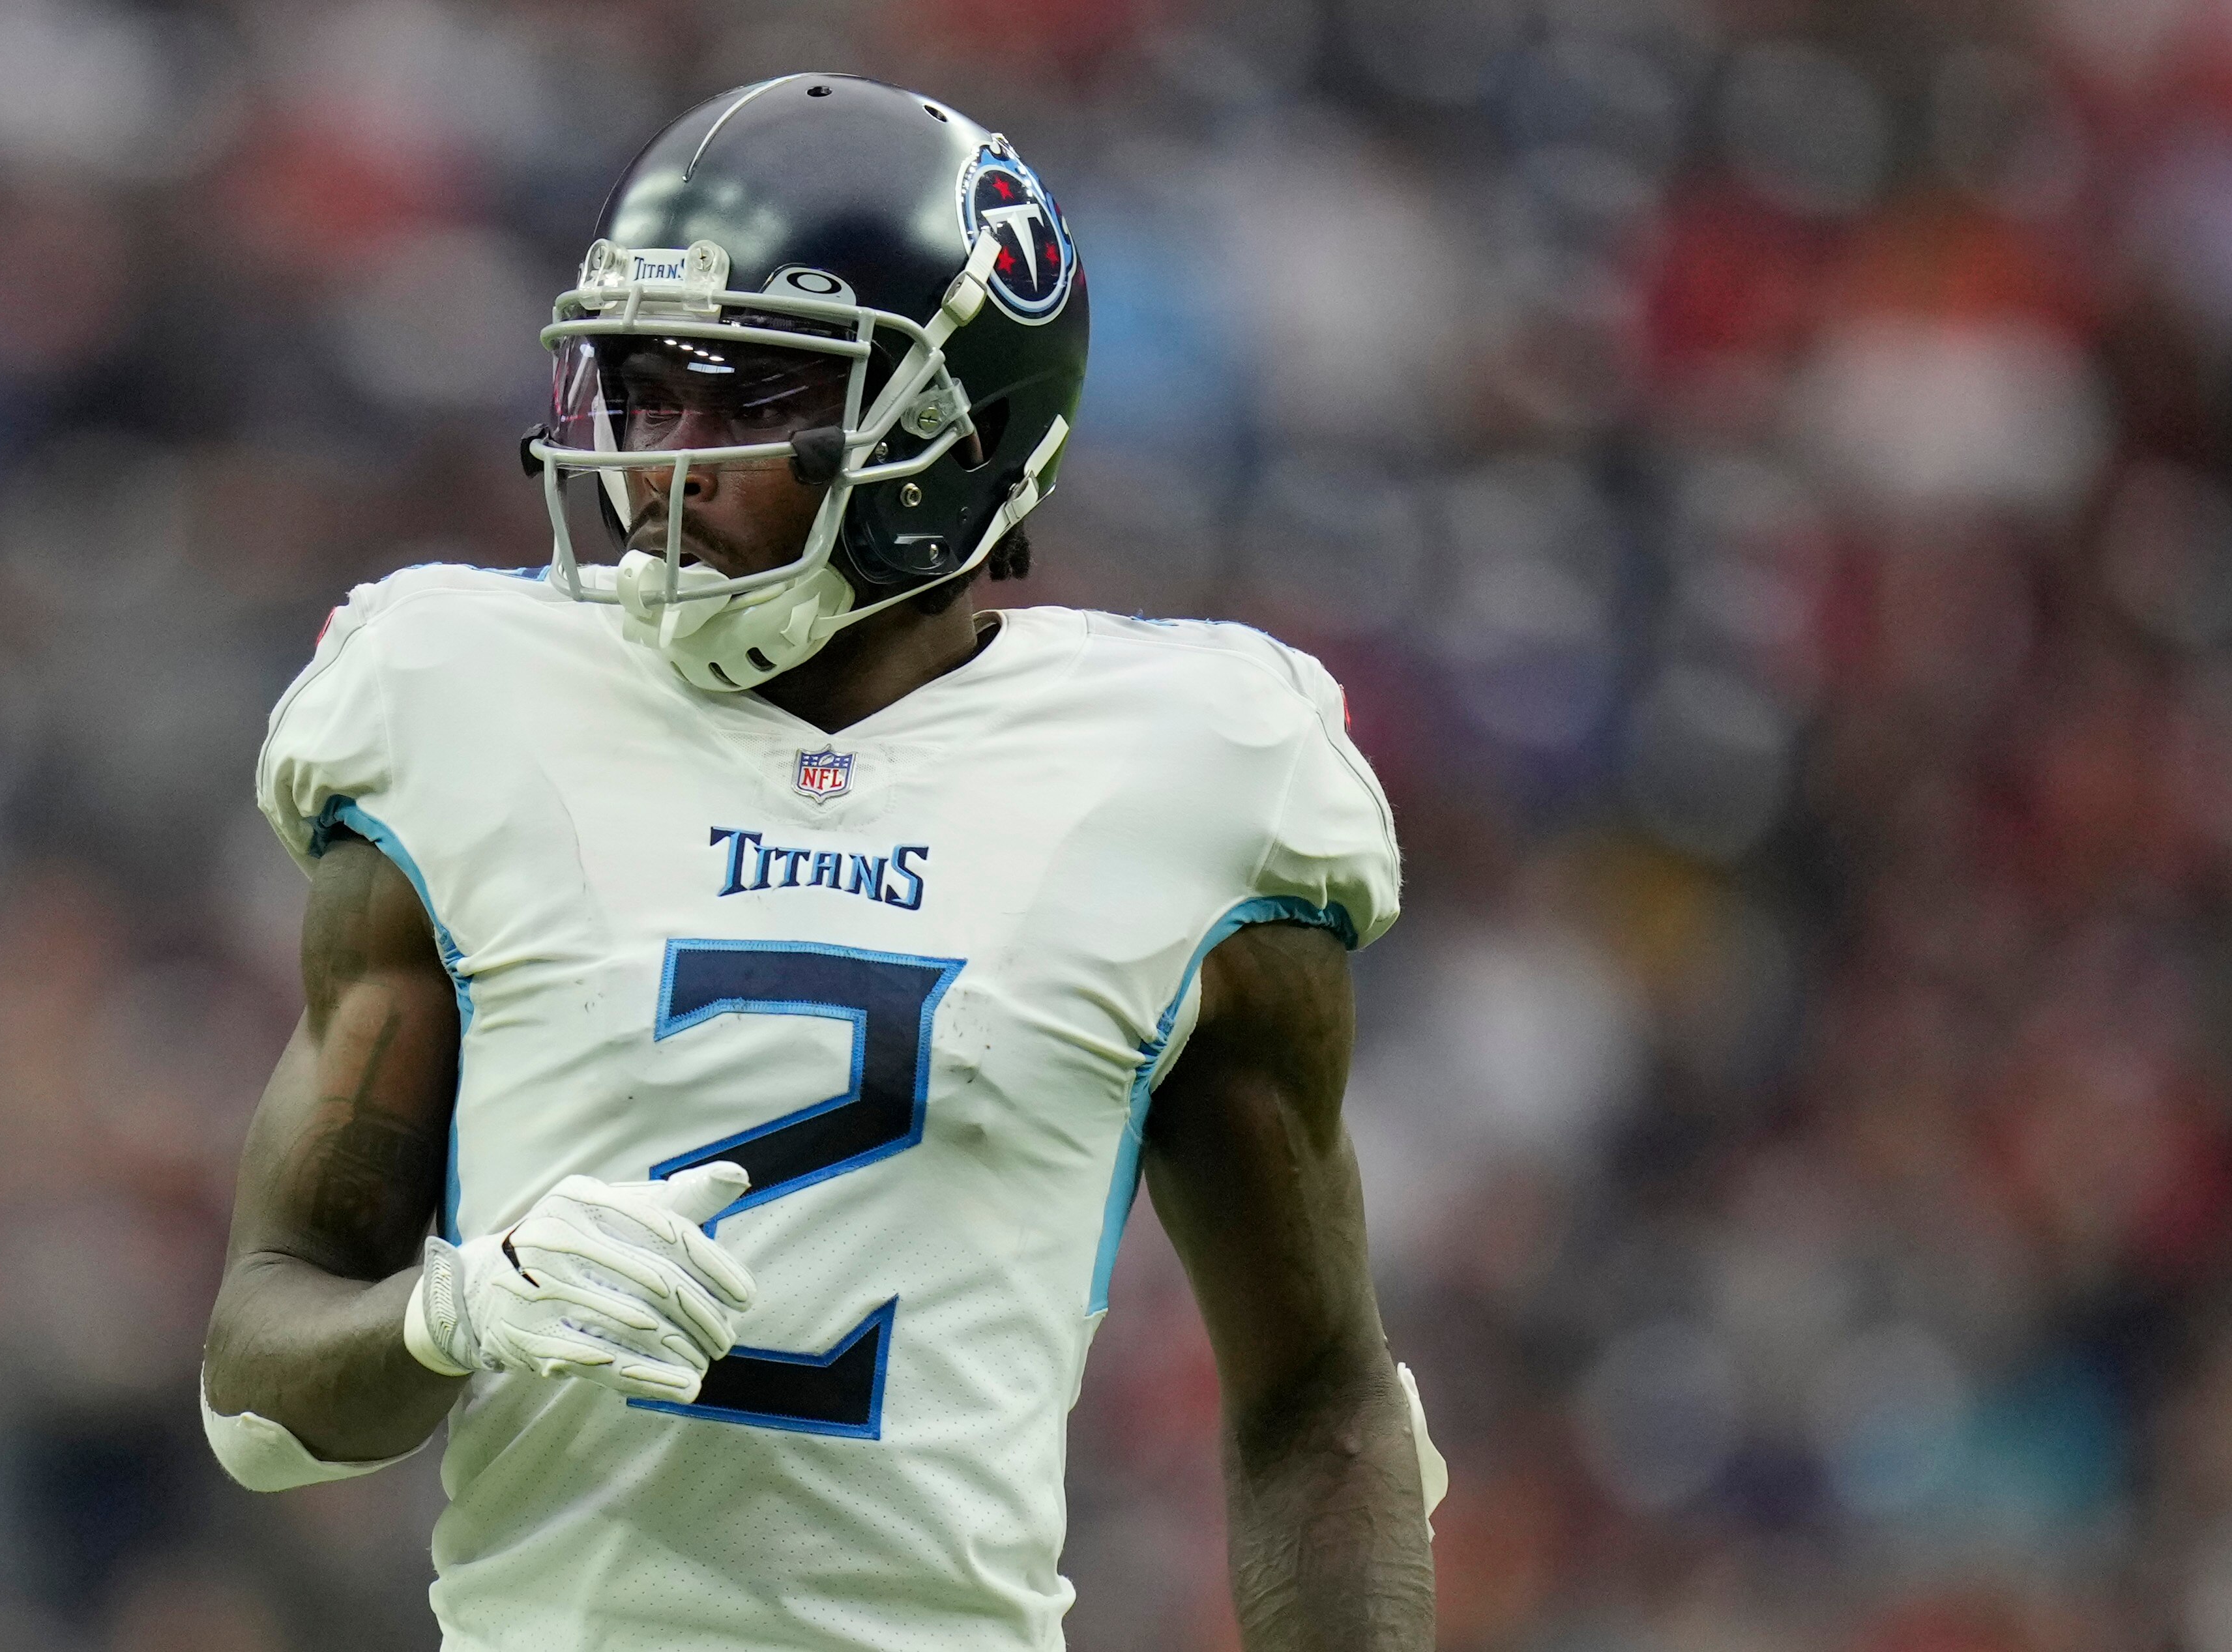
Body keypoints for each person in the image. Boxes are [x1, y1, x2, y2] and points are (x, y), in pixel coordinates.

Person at [200, 73, 1445, 1651]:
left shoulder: (1192, 767)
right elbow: (263, 1395)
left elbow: (1323, 1405)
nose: (670, 461)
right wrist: (458, 1308)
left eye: (750, 398)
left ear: (959, 436)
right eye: (644, 391)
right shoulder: (459, 695)